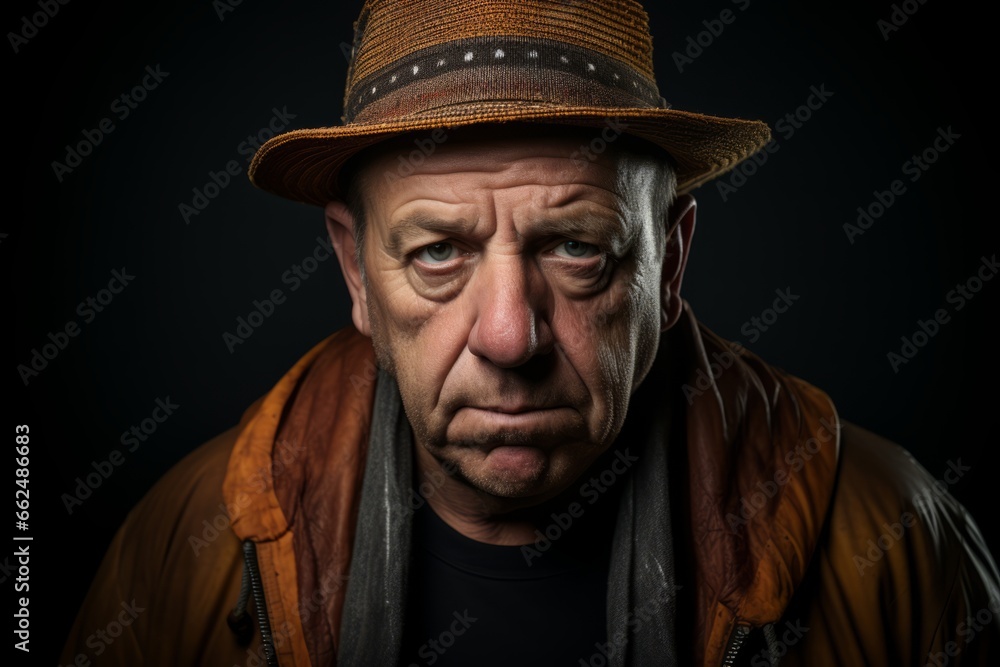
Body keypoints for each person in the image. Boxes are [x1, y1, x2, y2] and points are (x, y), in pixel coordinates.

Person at [61, 0, 999, 665]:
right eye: (437, 252)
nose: (511, 338)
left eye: (575, 247)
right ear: (355, 271)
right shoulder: (190, 545)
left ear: (669, 263)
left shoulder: (894, 544)